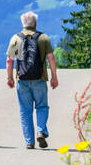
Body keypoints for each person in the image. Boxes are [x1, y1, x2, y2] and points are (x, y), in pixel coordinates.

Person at [6, 11, 58, 149]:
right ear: (35, 23)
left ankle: (29, 142)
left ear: (23, 24)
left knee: (25, 111)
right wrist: (54, 77)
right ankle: (41, 131)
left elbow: (9, 60)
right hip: (40, 79)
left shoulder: (16, 39)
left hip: (22, 80)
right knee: (41, 106)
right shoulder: (43, 38)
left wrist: (10, 78)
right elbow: (51, 58)